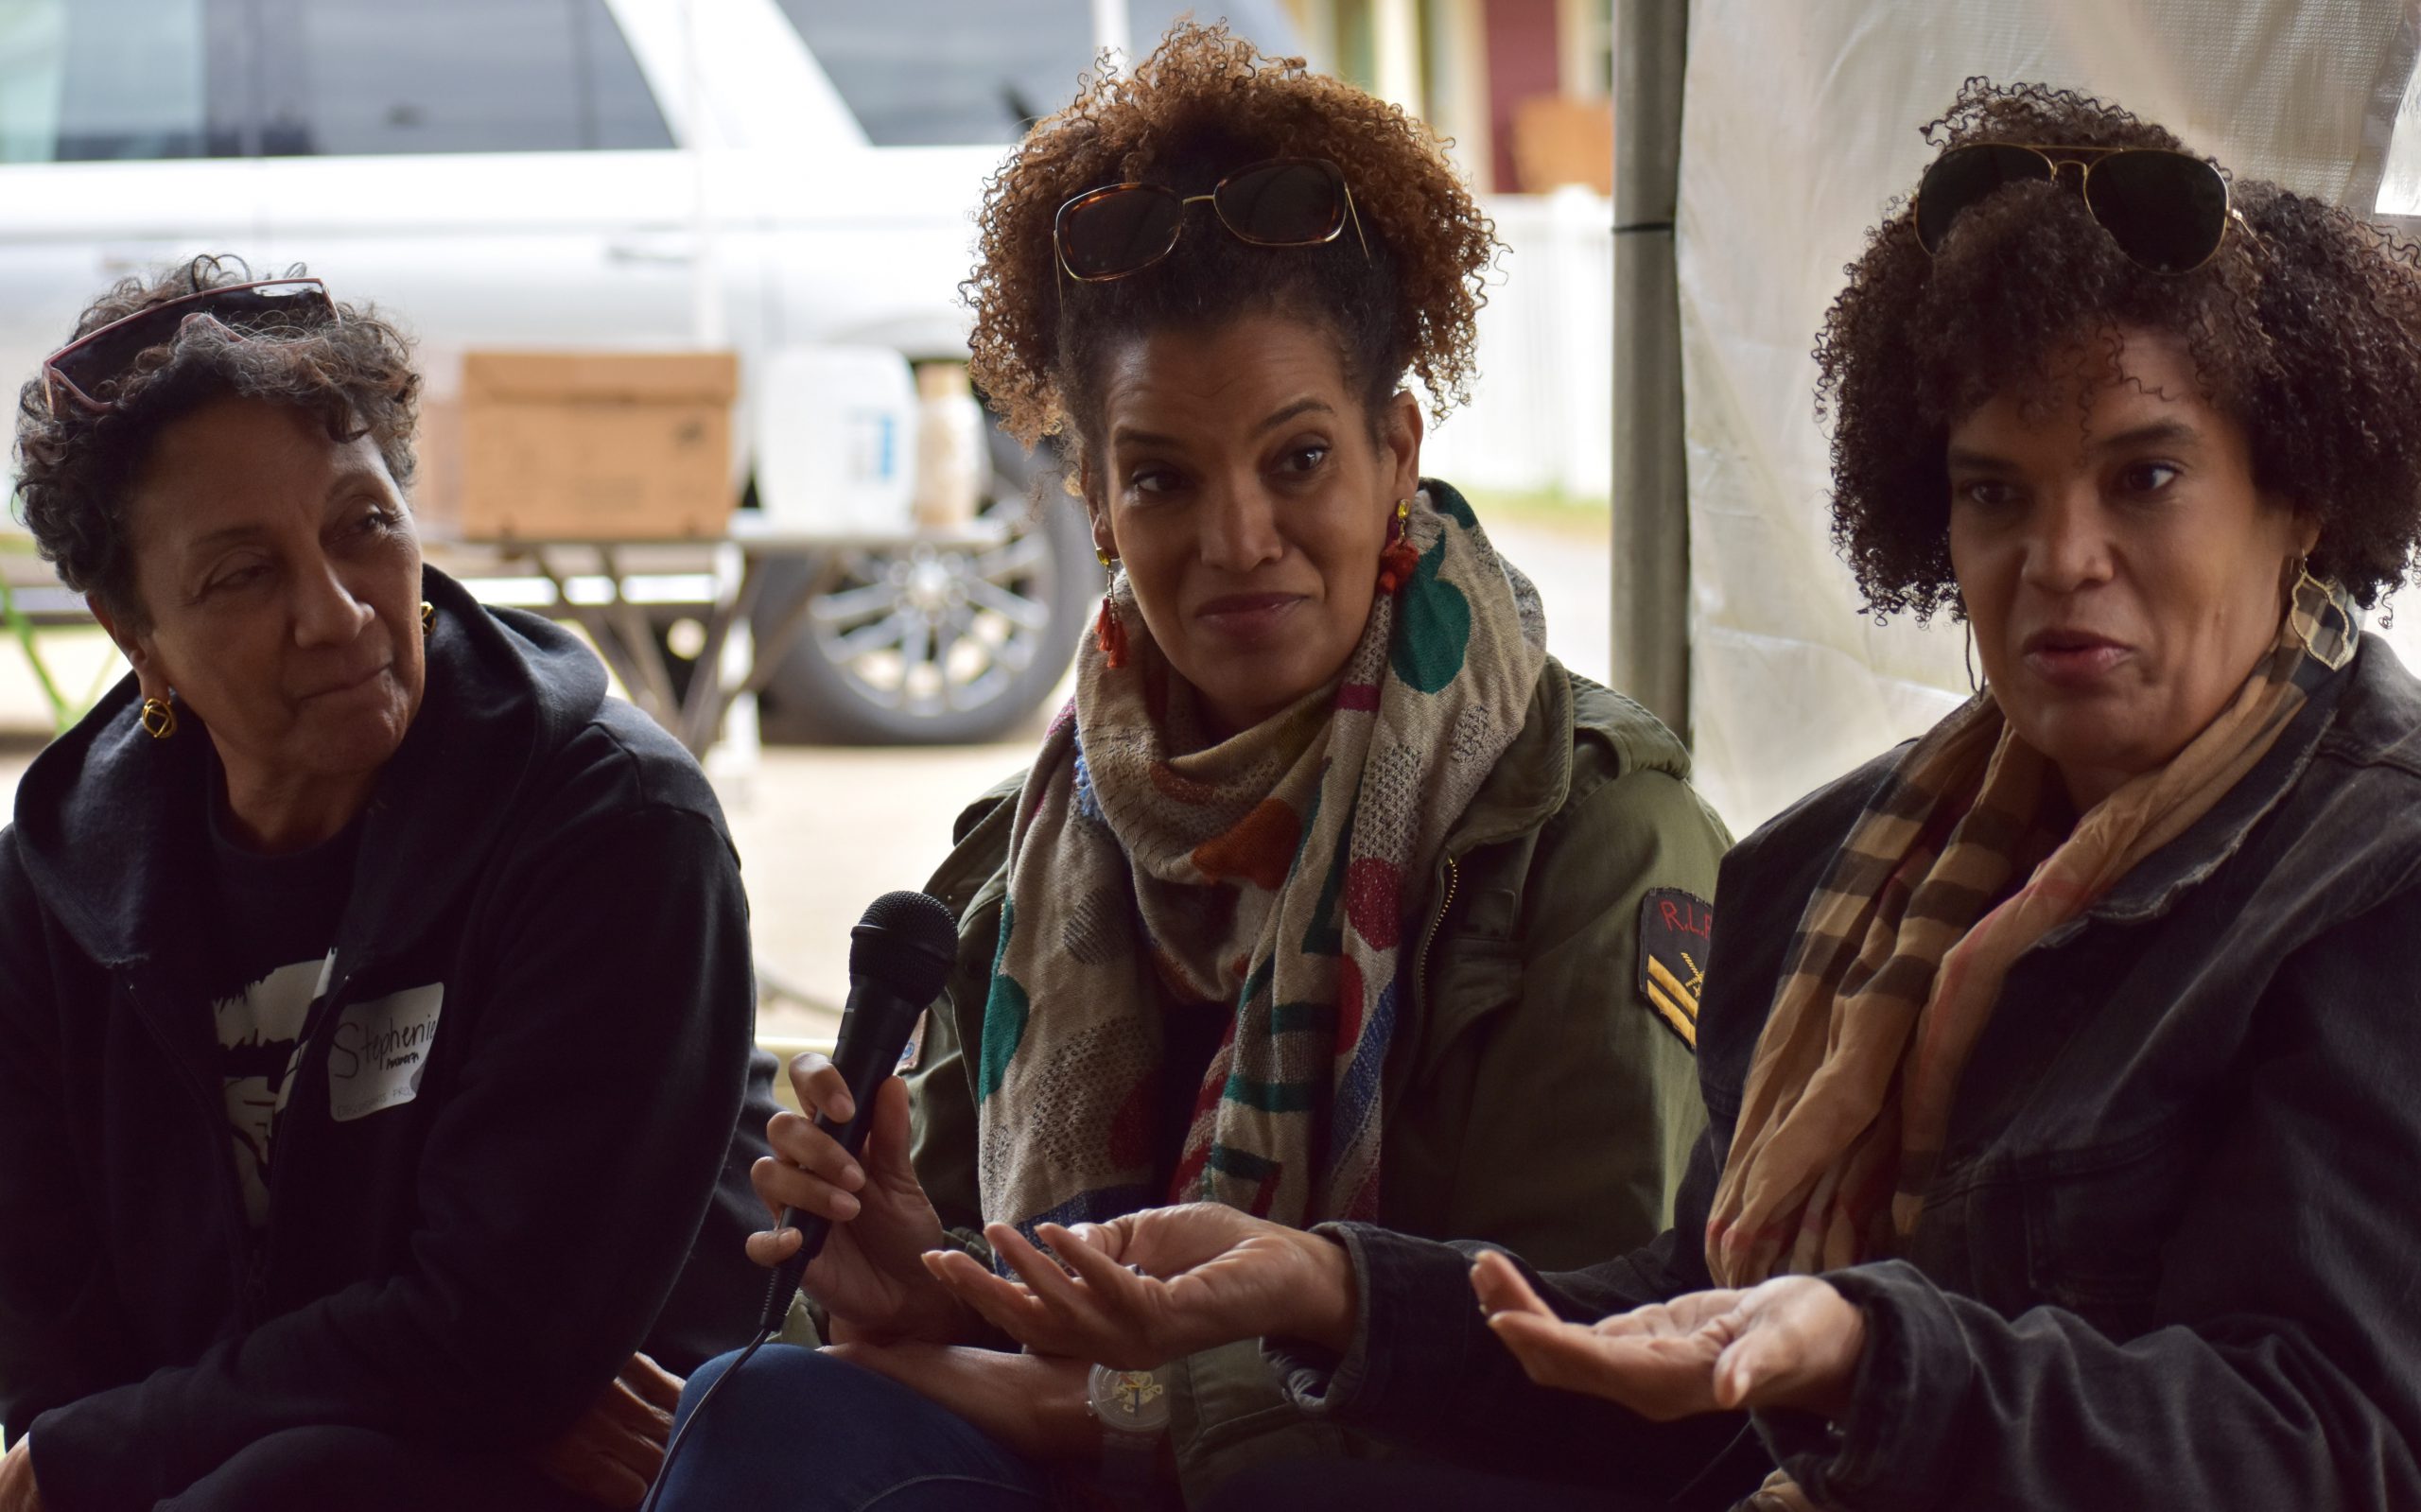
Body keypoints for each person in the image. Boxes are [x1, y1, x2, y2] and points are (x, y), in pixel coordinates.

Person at [920, 78, 2421, 1510]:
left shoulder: (2373, 880)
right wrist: (1327, 1287)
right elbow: (1684, 1321)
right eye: (1995, 492)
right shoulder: (1831, 872)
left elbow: (2321, 1446)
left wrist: (1872, 1355)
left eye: (2145, 478)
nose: (2063, 556)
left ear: (2297, 493)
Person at [653, 22, 1733, 1511]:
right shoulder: (1019, 855)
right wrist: (916, 1285)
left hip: (1378, 1485)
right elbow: (984, 1311)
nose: (1237, 540)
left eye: (1297, 460)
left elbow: (1589, 1358)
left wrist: (1083, 1410)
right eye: (1162, 476)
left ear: (1396, 451)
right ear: (1094, 500)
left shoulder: (1587, 825)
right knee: (770, 1416)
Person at [0, 258, 779, 1512]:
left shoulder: (610, 823)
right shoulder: (57, 891)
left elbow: (497, 1342)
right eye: (242, 575)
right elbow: (52, 1363)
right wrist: (380, 1375)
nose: (340, 614)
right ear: (130, 629)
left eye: (365, 525)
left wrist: (128, 1439)